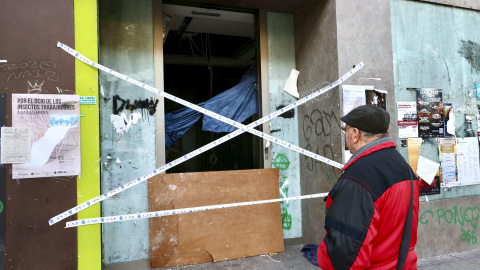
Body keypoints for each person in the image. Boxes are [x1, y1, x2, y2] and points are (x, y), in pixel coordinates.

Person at [317, 105, 419, 270]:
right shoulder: (403, 167)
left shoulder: (359, 178)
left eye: (346, 130)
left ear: (355, 134)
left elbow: (348, 255)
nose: (346, 136)